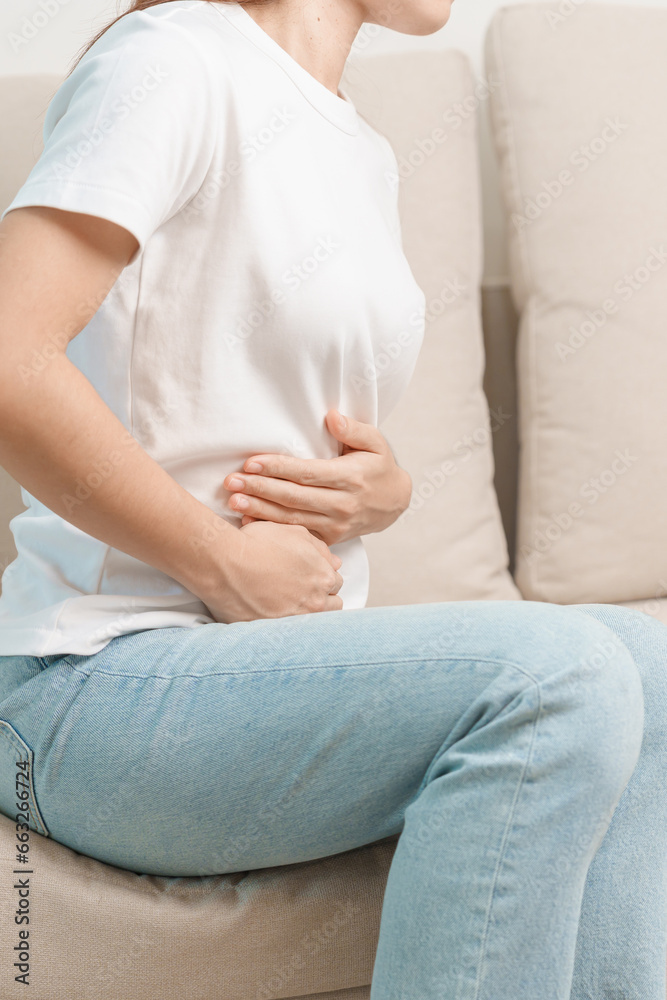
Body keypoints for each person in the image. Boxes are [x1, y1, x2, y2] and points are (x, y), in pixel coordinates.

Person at [0, 1, 665, 997]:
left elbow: (243, 408)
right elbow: (12, 359)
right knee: (555, 675)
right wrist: (216, 559)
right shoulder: (171, 62)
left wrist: (379, 492)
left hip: (260, 669)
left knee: (649, 665)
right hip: (93, 680)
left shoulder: (356, 143)